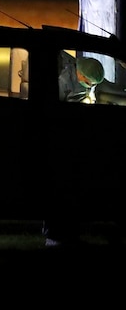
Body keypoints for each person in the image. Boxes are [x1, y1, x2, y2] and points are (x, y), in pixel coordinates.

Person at [44, 53, 106, 247]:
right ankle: (55, 236)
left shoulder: (85, 81)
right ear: (80, 75)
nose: (90, 86)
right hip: (64, 136)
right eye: (88, 83)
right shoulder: (64, 81)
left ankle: (64, 233)